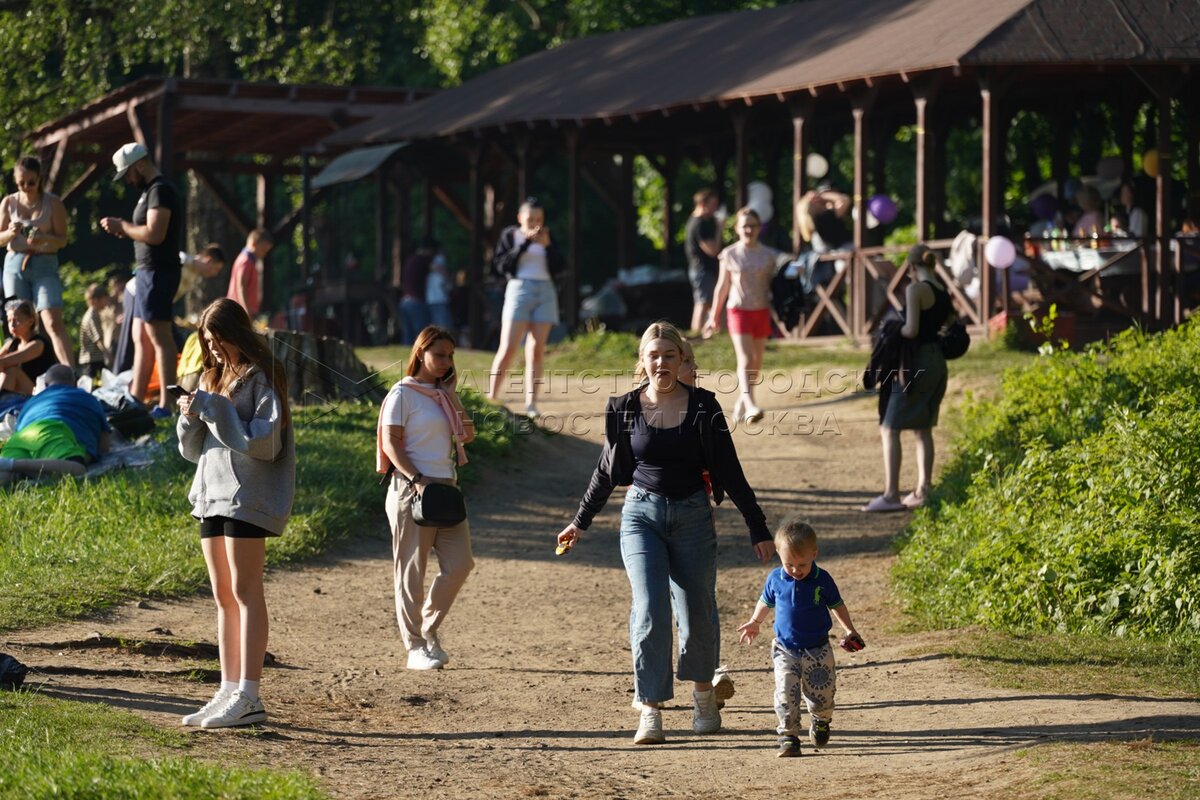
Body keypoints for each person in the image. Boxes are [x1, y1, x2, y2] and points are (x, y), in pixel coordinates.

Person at [556, 321, 773, 745]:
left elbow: (729, 468)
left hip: (693, 516)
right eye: (653, 356)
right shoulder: (624, 407)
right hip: (641, 516)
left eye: (669, 355)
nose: (661, 363)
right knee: (651, 607)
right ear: (642, 361)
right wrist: (580, 521)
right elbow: (606, 470)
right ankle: (650, 710)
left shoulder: (704, 406)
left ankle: (703, 698)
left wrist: (757, 525)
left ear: (681, 360)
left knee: (696, 611)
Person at [176, 298, 295, 729]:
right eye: (207, 340)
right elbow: (193, 450)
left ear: (238, 333)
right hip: (210, 494)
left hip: (247, 496)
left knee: (246, 591)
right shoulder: (212, 376)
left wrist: (215, 408)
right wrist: (190, 416)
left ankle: (250, 694)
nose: (214, 348)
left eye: (219, 338)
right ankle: (227, 690)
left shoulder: (263, 377)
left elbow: (264, 442)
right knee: (222, 595)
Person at [377, 325, 476, 670]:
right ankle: (415, 648)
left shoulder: (442, 395)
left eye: (450, 356)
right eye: (440, 355)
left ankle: (428, 628)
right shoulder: (402, 393)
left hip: (446, 489)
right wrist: (417, 480)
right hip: (411, 490)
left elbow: (468, 434)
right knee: (411, 573)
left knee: (461, 564)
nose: (447, 362)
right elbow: (390, 442)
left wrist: (452, 395)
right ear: (420, 353)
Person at [736, 520, 864, 757]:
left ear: (814, 553)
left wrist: (849, 630)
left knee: (822, 695)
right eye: (789, 564)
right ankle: (789, 736)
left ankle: (821, 720)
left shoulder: (822, 579)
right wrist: (755, 621)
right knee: (785, 693)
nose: (795, 570)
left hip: (818, 649)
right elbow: (765, 602)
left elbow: (837, 605)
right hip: (785, 649)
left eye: (802, 564)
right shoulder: (776, 578)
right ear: (779, 554)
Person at [862, 245, 952, 512]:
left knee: (890, 427)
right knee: (923, 428)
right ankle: (924, 489)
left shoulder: (915, 290)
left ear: (911, 267)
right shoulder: (942, 290)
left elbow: (911, 330)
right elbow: (946, 324)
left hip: (915, 362)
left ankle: (891, 495)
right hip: (937, 361)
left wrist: (891, 328)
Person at [99, 142, 182, 419]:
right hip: (146, 272)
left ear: (140, 165)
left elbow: (156, 234)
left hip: (159, 271)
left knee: (160, 337)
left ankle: (167, 404)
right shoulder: (150, 192)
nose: (128, 181)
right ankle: (137, 397)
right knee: (141, 336)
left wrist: (123, 226)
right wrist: (127, 230)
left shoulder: (160, 190)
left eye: (128, 174)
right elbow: (145, 231)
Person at [488, 197, 564, 418]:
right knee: (508, 347)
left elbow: (560, 267)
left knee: (536, 349)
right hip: (519, 289)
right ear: (520, 218)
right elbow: (501, 266)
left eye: (539, 219)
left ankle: (531, 404)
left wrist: (547, 247)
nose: (535, 223)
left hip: (545, 291)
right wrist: (524, 244)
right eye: (531, 219)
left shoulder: (548, 236)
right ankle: (491, 398)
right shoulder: (511, 235)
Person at [704, 207, 779, 423]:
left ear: (759, 228)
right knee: (746, 359)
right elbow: (722, 287)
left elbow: (777, 284)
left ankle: (742, 403)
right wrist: (714, 316)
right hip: (739, 310)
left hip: (761, 310)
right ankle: (751, 405)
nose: (749, 230)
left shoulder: (768, 255)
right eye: (744, 226)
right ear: (737, 228)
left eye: (753, 226)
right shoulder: (729, 254)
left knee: (757, 361)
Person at [0, 156, 73, 367]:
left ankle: (70, 373)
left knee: (52, 321)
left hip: (45, 264)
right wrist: (10, 233)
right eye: (21, 183)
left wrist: (44, 238)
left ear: (40, 179)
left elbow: (62, 240)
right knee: (18, 325)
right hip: (15, 265)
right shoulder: (9, 203)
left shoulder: (53, 203)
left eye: (31, 182)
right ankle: (20, 374)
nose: (26, 187)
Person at [0, 364, 111, 485]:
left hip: (20, 439)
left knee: (5, 478)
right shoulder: (89, 399)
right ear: (75, 383)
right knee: (77, 468)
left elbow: (18, 429)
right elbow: (104, 446)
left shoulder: (31, 402)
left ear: (46, 385)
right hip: (51, 431)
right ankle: (12, 464)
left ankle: (9, 465)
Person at [0, 299, 57, 397]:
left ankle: (3, 403)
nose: (12, 325)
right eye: (9, 321)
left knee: (12, 371)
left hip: (41, 394)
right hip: (24, 393)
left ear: (31, 321)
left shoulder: (38, 344)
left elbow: (4, 362)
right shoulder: (11, 344)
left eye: (16, 320)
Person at [685, 189, 722, 332]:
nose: (715, 209)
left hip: (701, 270)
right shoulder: (699, 224)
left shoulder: (698, 221)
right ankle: (697, 334)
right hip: (702, 270)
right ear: (702, 204)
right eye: (712, 204)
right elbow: (712, 250)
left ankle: (707, 332)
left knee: (707, 302)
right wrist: (719, 229)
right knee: (702, 303)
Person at [226, 230, 272, 319]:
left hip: (244, 312)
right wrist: (246, 312)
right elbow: (241, 287)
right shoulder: (245, 261)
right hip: (238, 312)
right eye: (263, 250)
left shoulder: (251, 261)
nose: (264, 254)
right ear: (254, 244)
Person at [399, 238, 436, 345]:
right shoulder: (424, 259)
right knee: (421, 332)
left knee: (407, 333)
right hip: (416, 301)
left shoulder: (410, 260)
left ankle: (407, 352)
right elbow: (436, 268)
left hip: (405, 301)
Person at [78, 282, 111, 378]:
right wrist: (108, 355)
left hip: (96, 359)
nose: (107, 301)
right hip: (92, 360)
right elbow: (98, 339)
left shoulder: (95, 314)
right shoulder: (91, 317)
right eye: (105, 298)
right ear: (96, 300)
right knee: (94, 384)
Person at [426, 246, 453, 330]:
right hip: (440, 299)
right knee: (442, 325)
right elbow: (444, 283)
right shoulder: (441, 260)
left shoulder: (432, 262)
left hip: (431, 299)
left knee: (436, 324)